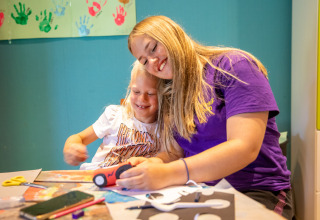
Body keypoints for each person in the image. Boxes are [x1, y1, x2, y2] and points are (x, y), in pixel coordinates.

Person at [116, 16, 294, 219]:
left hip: (257, 191)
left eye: (154, 48)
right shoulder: (170, 92)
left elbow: (244, 148)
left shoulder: (233, 65)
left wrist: (168, 173)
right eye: (144, 61)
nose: (153, 62)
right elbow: (175, 152)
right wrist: (156, 163)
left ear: (172, 34)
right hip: (199, 191)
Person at [63, 60, 161, 170]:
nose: (142, 99)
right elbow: (78, 137)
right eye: (136, 91)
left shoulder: (166, 129)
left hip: (131, 183)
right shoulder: (114, 115)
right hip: (96, 176)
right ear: (129, 89)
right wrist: (71, 147)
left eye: (151, 93)